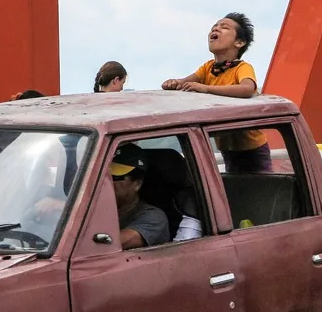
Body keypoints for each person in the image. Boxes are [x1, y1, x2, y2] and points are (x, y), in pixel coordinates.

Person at [161, 13, 271, 173]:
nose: (216, 28)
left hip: (252, 148)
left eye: (224, 27)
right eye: (214, 27)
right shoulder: (208, 67)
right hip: (228, 148)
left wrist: (206, 88)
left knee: (260, 187)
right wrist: (173, 83)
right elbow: (185, 82)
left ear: (239, 42)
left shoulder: (242, 68)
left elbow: (247, 88)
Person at [109, 143, 170, 249]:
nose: (107, 182)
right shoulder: (96, 210)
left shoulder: (154, 217)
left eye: (116, 177)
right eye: (105, 176)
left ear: (137, 184)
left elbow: (115, 243)